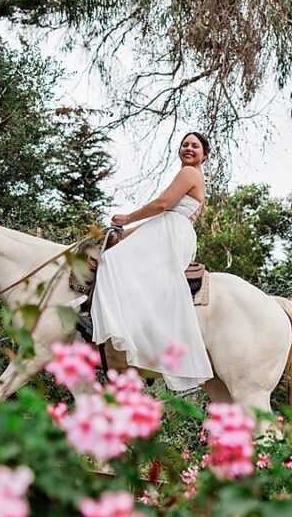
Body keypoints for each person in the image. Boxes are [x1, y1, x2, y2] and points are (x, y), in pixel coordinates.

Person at [89, 132, 215, 391]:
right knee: (121, 259)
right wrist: (125, 236)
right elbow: (162, 217)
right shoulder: (189, 176)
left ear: (204, 155)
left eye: (195, 145)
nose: (189, 148)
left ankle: (116, 330)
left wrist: (127, 219)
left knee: (111, 262)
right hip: (171, 231)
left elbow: (162, 204)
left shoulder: (189, 173)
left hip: (170, 233)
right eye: (185, 144)